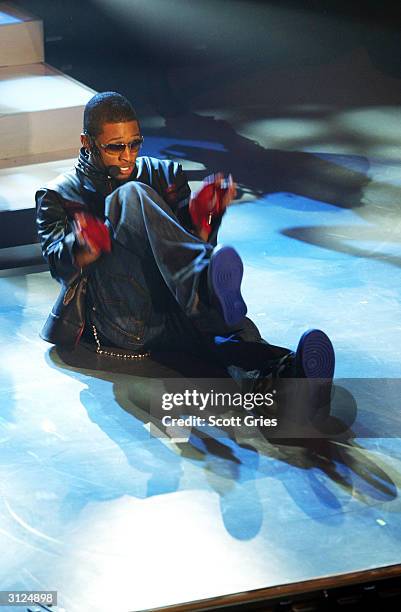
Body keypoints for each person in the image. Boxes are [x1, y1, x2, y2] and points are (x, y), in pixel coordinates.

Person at [36, 91, 335, 416]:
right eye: (115, 147)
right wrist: (81, 247)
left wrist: (204, 221)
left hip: (171, 306)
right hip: (118, 319)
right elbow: (57, 262)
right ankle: (202, 287)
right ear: (87, 142)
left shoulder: (164, 174)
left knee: (229, 337)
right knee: (131, 196)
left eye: (135, 144)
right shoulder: (58, 194)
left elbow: (184, 244)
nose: (128, 156)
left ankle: (290, 381)